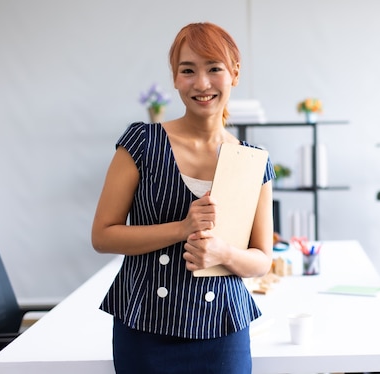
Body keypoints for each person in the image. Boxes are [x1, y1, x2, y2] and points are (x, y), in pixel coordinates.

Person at [91, 22, 275, 373]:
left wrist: (224, 254)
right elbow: (103, 235)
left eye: (214, 69)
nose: (202, 84)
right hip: (145, 324)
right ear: (175, 78)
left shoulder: (253, 160)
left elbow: (261, 260)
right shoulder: (141, 143)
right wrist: (183, 228)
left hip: (222, 326)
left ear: (234, 73)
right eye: (188, 70)